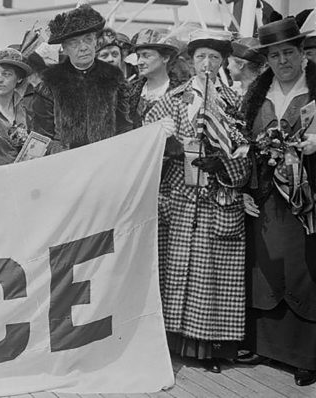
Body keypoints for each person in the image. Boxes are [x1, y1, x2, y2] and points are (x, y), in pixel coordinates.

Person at [144, 29, 250, 374]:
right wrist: (169, 149)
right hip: (179, 197)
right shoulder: (173, 98)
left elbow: (249, 153)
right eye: (201, 57)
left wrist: (225, 163)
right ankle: (173, 342)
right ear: (190, 61)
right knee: (176, 269)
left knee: (212, 273)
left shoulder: (235, 102)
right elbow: (146, 135)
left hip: (217, 198)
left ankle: (211, 349)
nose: (207, 64)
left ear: (223, 63)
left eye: (214, 58)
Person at [238, 17, 316, 387]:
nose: (282, 60)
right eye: (275, 55)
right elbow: (239, 148)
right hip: (264, 199)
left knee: (304, 269)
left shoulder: (314, 92)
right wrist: (242, 191)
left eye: (289, 52)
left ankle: (307, 355)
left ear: (302, 54)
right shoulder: (256, 97)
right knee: (264, 267)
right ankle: (264, 346)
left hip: (307, 200)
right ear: (266, 60)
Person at [30, 5, 132, 152]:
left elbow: (125, 128)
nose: (83, 47)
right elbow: (41, 137)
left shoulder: (116, 80)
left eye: (88, 39)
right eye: (74, 43)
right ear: (64, 49)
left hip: (107, 159)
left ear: (95, 42)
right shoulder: (49, 85)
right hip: (67, 163)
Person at [128, 28, 185, 128]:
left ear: (165, 58)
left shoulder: (181, 92)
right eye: (138, 56)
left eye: (146, 55)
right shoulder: (129, 90)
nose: (140, 62)